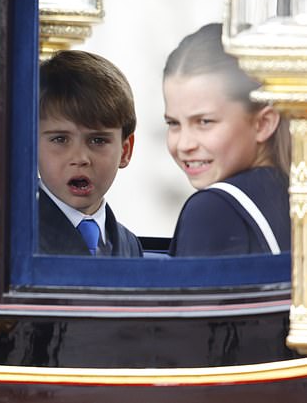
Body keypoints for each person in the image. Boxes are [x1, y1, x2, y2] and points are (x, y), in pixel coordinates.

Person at [163, 23, 290, 256]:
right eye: (173, 124)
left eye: (204, 122)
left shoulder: (213, 209)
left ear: (263, 123)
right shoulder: (293, 192)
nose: (184, 145)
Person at [37, 49, 142, 257]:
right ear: (29, 145)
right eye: (60, 139)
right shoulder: (12, 236)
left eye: (98, 140)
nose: (80, 158)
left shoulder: (130, 245)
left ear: (125, 151)